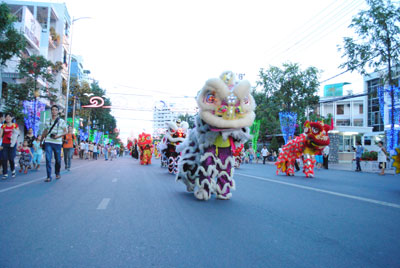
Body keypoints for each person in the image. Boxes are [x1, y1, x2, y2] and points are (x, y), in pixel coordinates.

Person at [41, 105, 67, 182]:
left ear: (58, 111)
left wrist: (58, 136)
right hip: (48, 141)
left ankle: (57, 172)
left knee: (58, 160)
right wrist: (41, 141)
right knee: (48, 159)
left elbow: (65, 131)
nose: (54, 111)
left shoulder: (61, 121)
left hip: (57, 143)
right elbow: (45, 131)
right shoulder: (47, 120)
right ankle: (48, 176)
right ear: (51, 111)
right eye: (52, 110)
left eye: (55, 110)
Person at [0, 113, 20, 179]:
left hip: (12, 144)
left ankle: (13, 170)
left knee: (11, 158)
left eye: (9, 117)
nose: (7, 118)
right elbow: (0, 135)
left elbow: (18, 134)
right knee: (4, 158)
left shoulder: (15, 125)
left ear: (11, 118)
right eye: (6, 117)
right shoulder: (3, 126)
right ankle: (5, 173)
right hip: (4, 144)